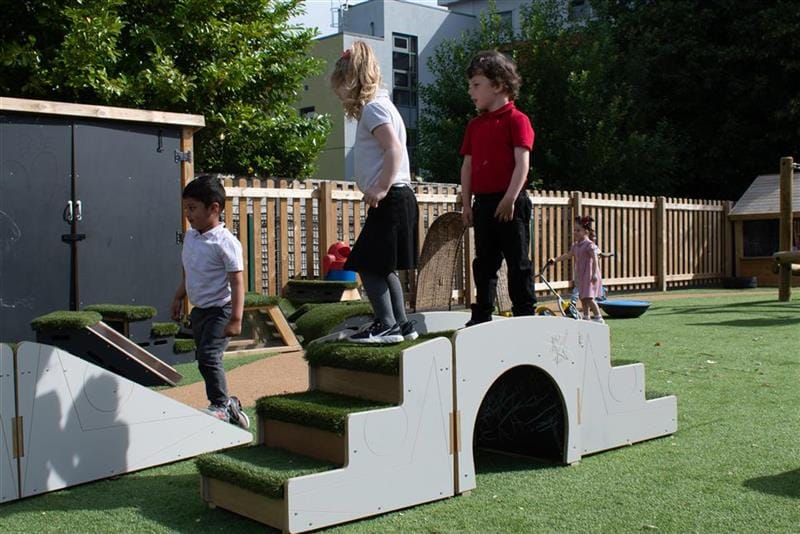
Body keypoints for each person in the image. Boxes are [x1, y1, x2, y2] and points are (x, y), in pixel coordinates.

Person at [330, 41, 419, 344]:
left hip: (391, 196)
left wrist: (380, 187)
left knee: (366, 264)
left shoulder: (373, 109)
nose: (340, 97)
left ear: (351, 80)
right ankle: (402, 324)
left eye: (340, 89)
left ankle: (386, 324)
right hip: (399, 197)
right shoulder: (385, 106)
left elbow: (393, 149)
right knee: (383, 266)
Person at [460, 50, 537, 326]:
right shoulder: (474, 126)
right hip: (483, 204)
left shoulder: (517, 120)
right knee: (484, 263)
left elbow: (522, 163)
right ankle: (481, 315)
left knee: (518, 262)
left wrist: (510, 198)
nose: (471, 91)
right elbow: (467, 166)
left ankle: (524, 315)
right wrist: (467, 204)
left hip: (511, 204)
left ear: (498, 85)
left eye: (476, 85)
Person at [171, 175, 250, 428]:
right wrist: (178, 296)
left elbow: (237, 282)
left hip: (221, 310)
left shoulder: (226, 243)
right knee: (203, 358)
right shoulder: (191, 237)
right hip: (200, 311)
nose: (187, 214)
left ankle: (220, 405)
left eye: (192, 208)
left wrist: (236, 318)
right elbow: (190, 272)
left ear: (214, 208)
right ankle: (230, 406)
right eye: (186, 208)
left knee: (208, 357)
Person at [549, 215, 605, 323]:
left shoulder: (589, 245)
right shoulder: (575, 246)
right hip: (581, 275)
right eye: (574, 230)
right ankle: (586, 317)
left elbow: (595, 260)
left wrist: (594, 274)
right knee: (582, 297)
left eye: (578, 230)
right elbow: (568, 255)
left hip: (589, 275)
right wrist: (555, 260)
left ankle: (598, 318)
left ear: (586, 232)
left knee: (589, 297)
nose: (575, 232)